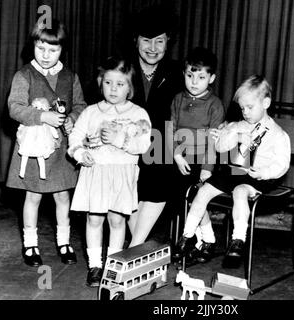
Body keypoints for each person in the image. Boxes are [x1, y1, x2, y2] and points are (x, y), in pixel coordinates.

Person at [174, 75, 291, 267]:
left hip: (257, 177)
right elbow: (220, 148)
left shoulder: (278, 134)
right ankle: (187, 236)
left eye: (250, 107)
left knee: (240, 192)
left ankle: (238, 241)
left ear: (266, 103)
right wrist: (233, 136)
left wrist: (264, 172)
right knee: (202, 191)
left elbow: (282, 164)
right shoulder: (238, 126)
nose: (245, 112)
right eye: (242, 108)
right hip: (233, 173)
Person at [6, 20, 86, 267]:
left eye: (53, 50)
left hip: (60, 149)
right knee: (33, 197)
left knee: (63, 197)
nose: (46, 55)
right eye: (41, 48)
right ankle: (31, 244)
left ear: (63, 49)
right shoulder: (24, 75)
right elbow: (14, 108)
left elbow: (81, 106)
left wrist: (73, 119)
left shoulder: (70, 76)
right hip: (34, 149)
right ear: (33, 46)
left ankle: (64, 242)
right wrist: (42, 116)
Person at [68, 56, 151, 287]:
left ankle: (114, 267)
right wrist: (80, 152)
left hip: (122, 174)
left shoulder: (139, 114)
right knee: (94, 219)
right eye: (108, 83)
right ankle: (95, 266)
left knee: (117, 220)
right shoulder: (91, 112)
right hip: (96, 174)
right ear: (100, 82)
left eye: (120, 84)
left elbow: (143, 146)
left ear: (130, 87)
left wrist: (120, 139)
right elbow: (75, 138)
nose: (113, 89)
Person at [127, 5, 184, 247]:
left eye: (159, 41)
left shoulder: (178, 73)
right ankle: (139, 246)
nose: (152, 48)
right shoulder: (122, 70)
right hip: (127, 144)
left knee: (162, 168)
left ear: (168, 42)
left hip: (163, 145)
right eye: (146, 40)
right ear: (135, 40)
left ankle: (135, 247)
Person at [168, 47, 225, 263]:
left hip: (202, 162)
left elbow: (214, 140)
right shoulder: (177, 99)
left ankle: (204, 241)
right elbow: (170, 129)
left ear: (211, 78)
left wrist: (207, 169)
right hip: (180, 159)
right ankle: (206, 242)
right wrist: (176, 155)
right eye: (190, 76)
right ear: (183, 74)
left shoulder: (215, 105)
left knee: (195, 200)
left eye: (201, 77)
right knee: (186, 201)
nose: (194, 82)